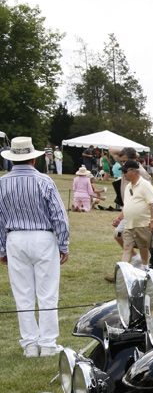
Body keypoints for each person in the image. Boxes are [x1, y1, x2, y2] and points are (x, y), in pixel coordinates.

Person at [0, 136, 71, 357]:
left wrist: (2, 248)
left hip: (15, 238)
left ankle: (30, 344)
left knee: (23, 294)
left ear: (12, 160)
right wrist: (63, 243)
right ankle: (48, 344)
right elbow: (59, 216)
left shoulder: (2, 183)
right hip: (42, 237)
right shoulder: (44, 181)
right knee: (48, 292)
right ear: (33, 159)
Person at [112, 160, 153, 269]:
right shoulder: (128, 187)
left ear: (133, 171)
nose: (124, 174)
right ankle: (124, 272)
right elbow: (127, 205)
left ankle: (145, 267)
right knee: (127, 247)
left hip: (142, 223)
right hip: (129, 223)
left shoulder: (145, 185)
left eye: (125, 171)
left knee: (143, 247)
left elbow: (152, 203)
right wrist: (119, 218)